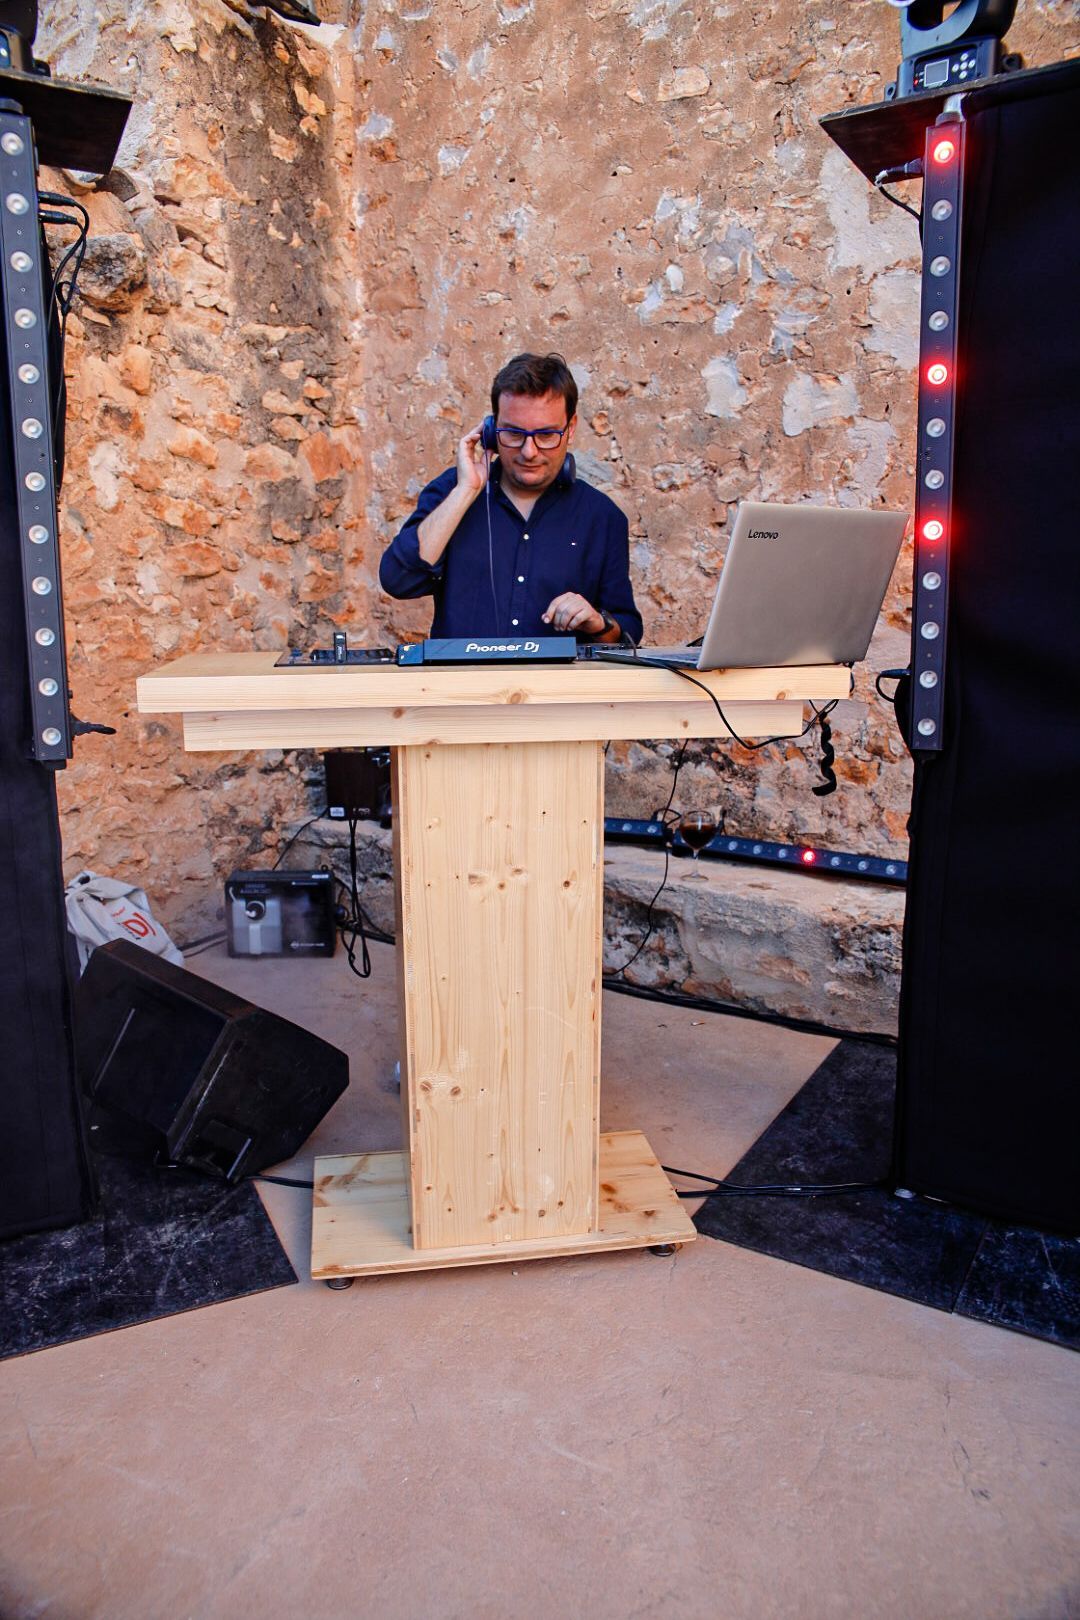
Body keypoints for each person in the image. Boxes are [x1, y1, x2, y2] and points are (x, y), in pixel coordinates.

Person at [379, 352, 642, 644]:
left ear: (571, 428)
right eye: (514, 433)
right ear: (490, 430)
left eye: (546, 435)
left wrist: (597, 622)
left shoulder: (601, 517)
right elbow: (398, 581)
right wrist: (465, 492)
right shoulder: (451, 493)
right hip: (460, 689)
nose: (529, 451)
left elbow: (628, 634)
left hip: (560, 690)